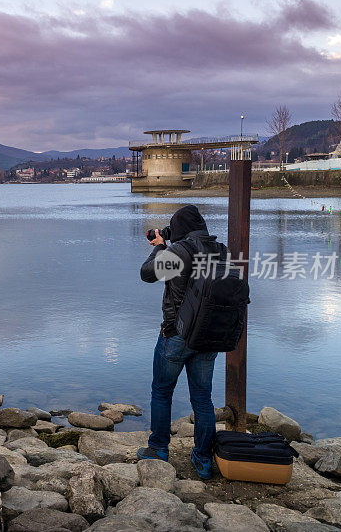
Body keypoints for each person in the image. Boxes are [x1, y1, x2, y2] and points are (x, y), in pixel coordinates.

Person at [136, 204, 224, 479]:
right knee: (203, 399)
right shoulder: (219, 251)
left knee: (162, 391)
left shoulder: (181, 251)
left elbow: (148, 273)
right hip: (209, 336)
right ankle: (203, 459)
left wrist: (160, 246)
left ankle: (159, 449)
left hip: (177, 335)